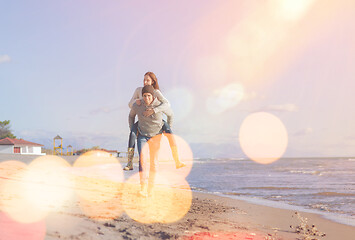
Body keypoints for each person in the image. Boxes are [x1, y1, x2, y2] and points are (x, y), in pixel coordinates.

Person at [123, 72, 185, 170]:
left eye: (147, 80)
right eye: (144, 80)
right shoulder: (138, 90)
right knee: (132, 134)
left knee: (170, 132)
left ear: (152, 82)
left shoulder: (156, 92)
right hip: (142, 120)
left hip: (156, 120)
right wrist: (136, 101)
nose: (145, 82)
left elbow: (167, 104)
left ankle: (177, 160)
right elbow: (130, 104)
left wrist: (154, 110)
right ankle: (129, 163)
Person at [128, 85, 172, 196]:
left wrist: (166, 128)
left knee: (154, 163)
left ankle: (151, 188)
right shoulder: (138, 105)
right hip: (142, 136)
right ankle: (143, 188)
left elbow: (170, 114)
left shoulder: (159, 105)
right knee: (142, 160)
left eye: (148, 96)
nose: (146, 98)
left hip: (156, 137)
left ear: (153, 96)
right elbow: (131, 115)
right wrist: (132, 128)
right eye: (144, 96)